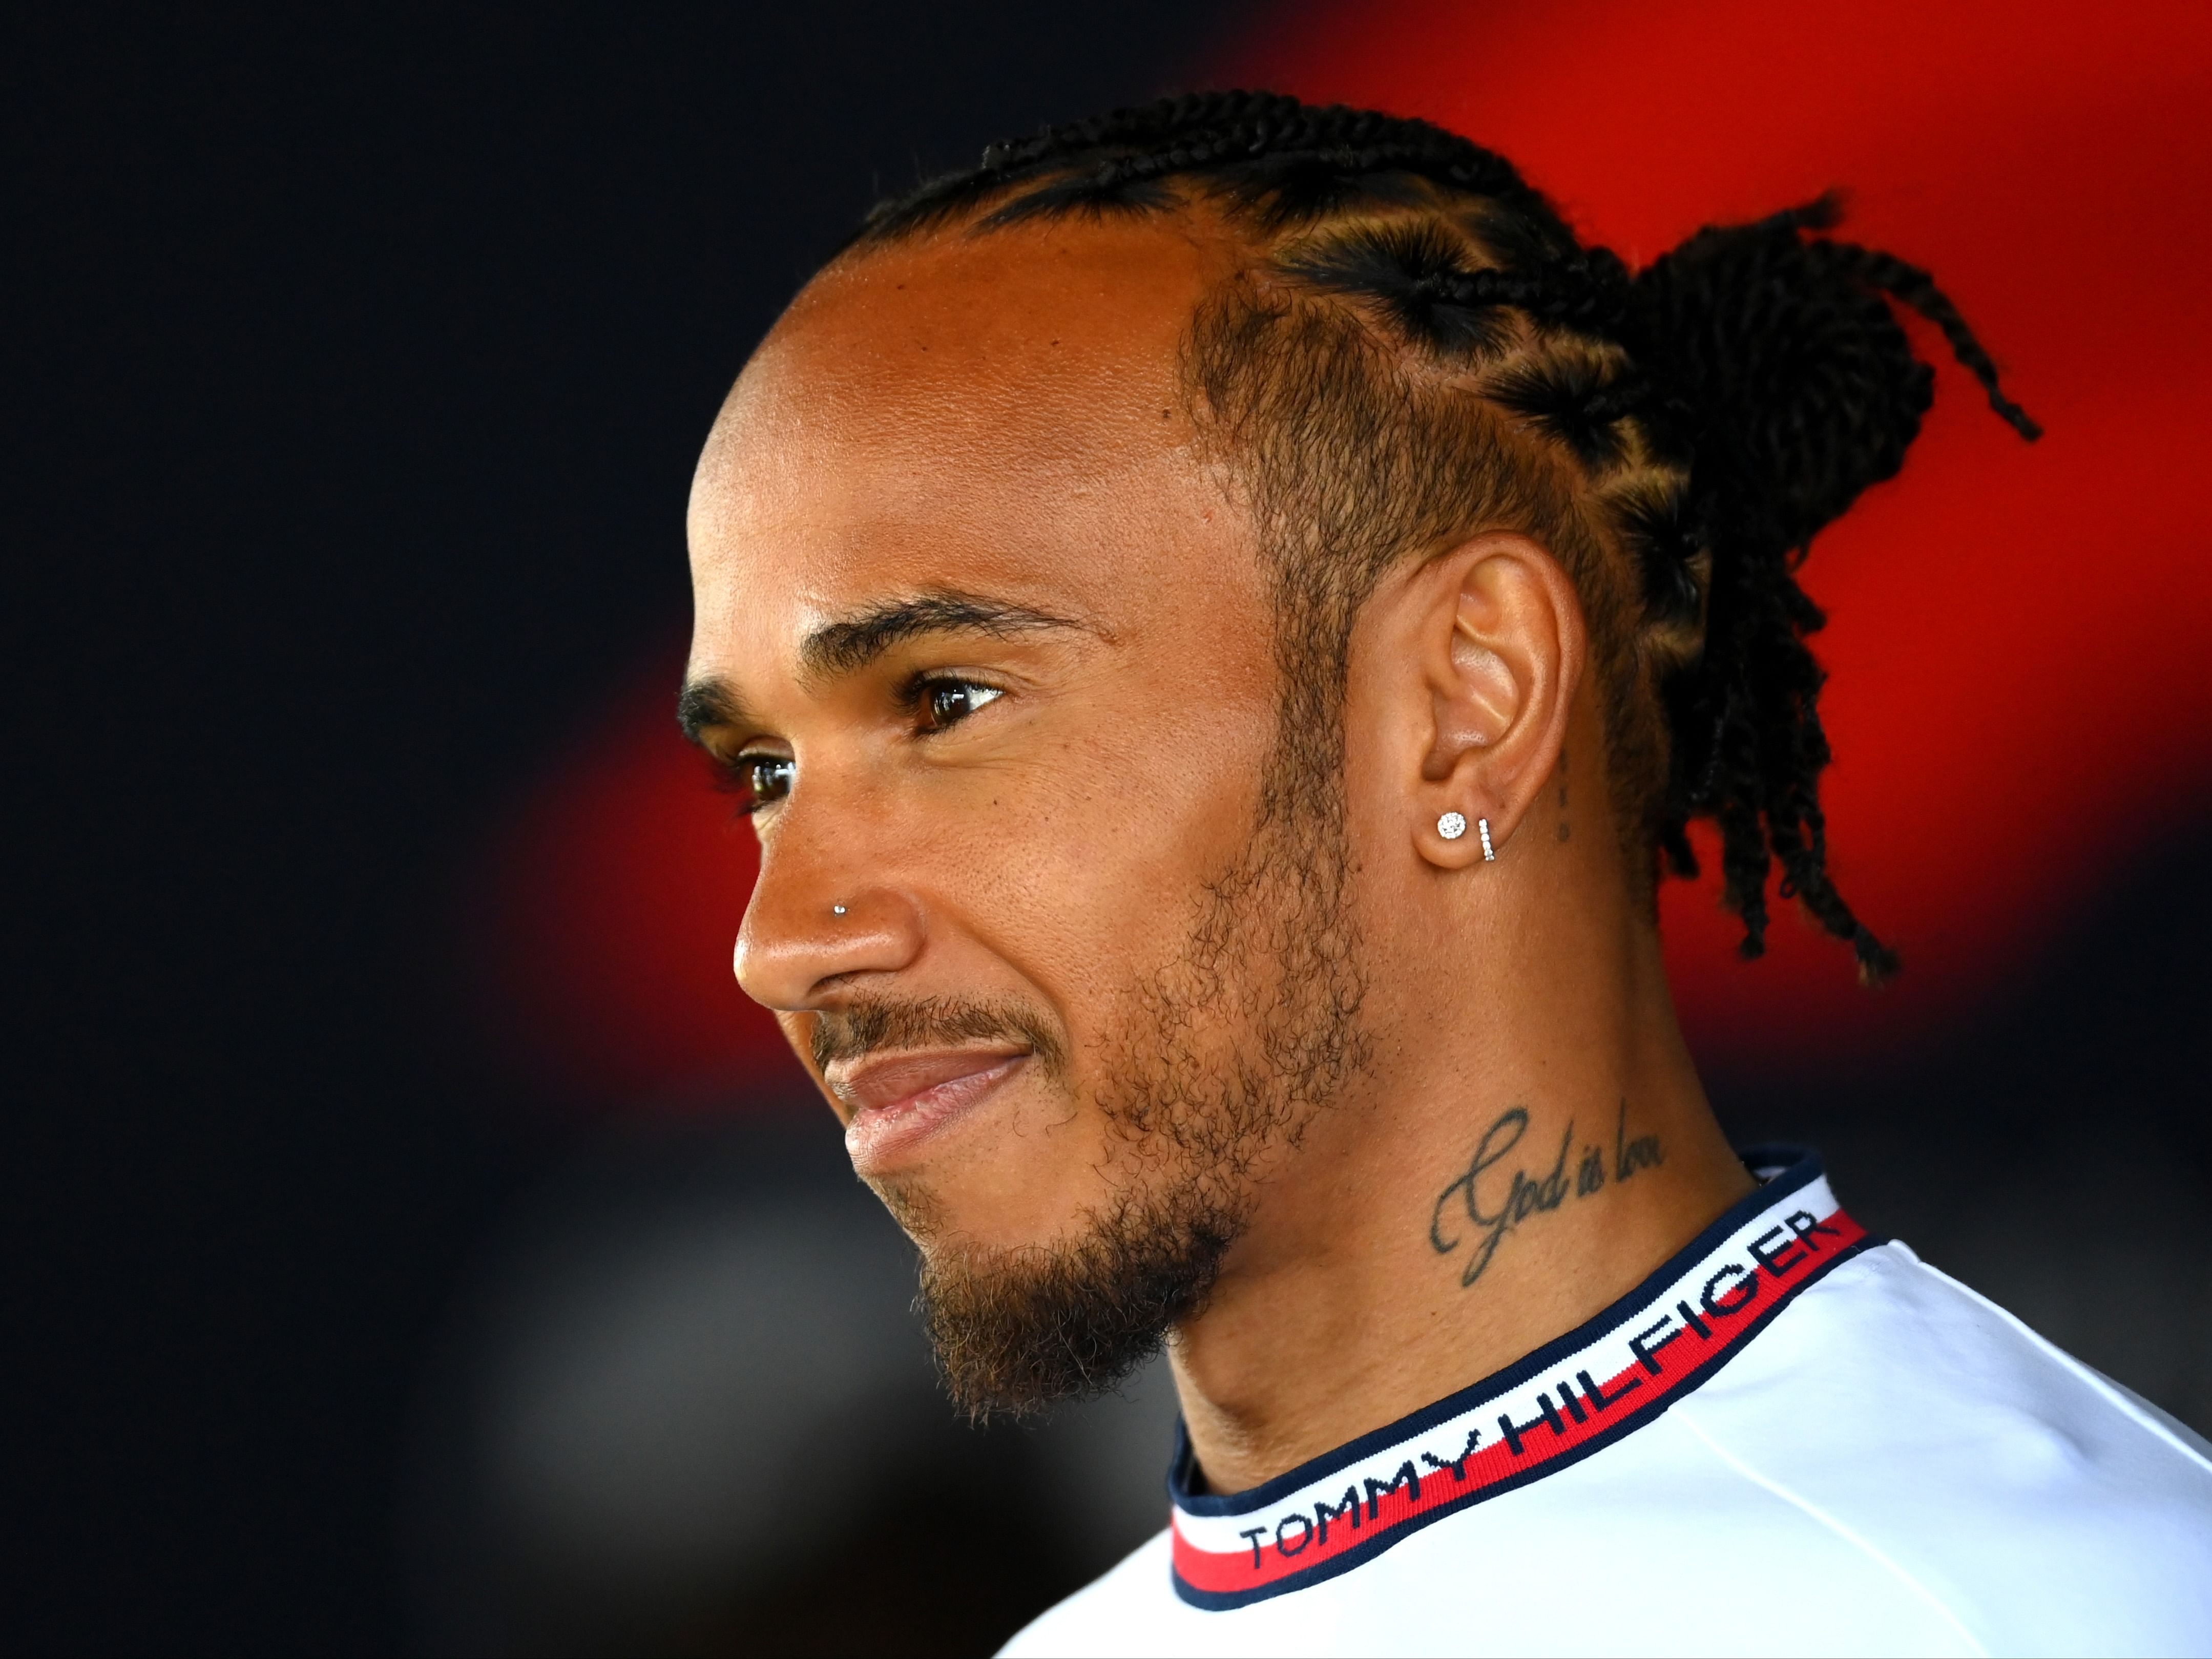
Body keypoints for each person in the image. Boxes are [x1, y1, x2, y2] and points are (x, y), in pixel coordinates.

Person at [676, 91, 2212, 1655]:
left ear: (1464, 705)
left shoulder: (2047, 1608)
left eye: (946, 703)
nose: (785, 943)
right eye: (764, 775)